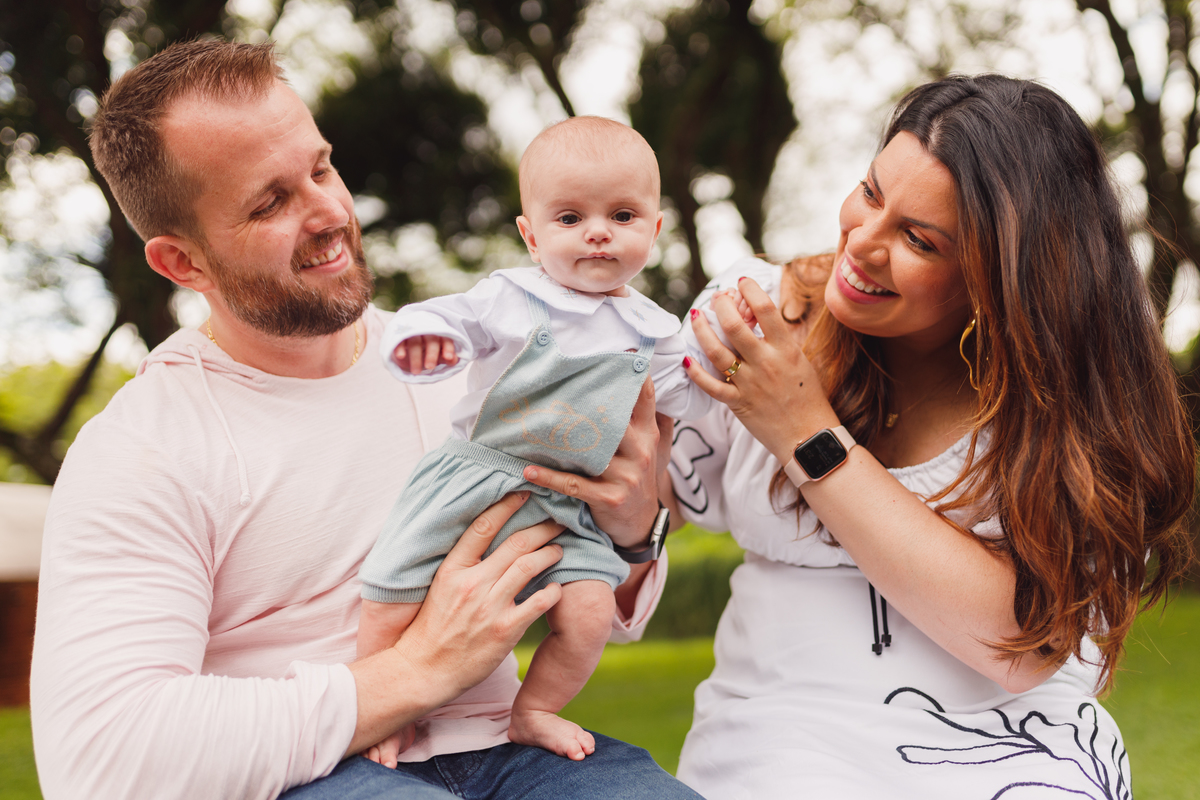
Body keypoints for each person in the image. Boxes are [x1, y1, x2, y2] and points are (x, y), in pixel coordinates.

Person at [29, 38, 702, 800]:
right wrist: (409, 675)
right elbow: (101, 759)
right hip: (317, 774)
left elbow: (604, 590)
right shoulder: (141, 448)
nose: (329, 212)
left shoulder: (466, 366)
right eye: (270, 202)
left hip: (513, 749)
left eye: (320, 168)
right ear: (183, 264)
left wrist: (636, 531)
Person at [668, 74, 1194, 798]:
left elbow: (1021, 648)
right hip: (781, 751)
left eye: (919, 239)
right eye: (871, 192)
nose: (862, 243)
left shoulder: (1059, 415)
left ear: (1003, 278)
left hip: (1013, 758)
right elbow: (629, 526)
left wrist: (807, 432)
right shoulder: (759, 318)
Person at [356, 116, 713, 766]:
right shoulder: (514, 296)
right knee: (392, 593)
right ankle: (380, 707)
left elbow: (691, 393)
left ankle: (535, 708)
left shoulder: (655, 330)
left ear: (655, 230)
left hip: (568, 506)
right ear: (531, 234)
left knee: (588, 613)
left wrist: (727, 368)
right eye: (571, 217)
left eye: (623, 214)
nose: (598, 231)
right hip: (477, 478)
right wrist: (427, 342)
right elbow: (446, 318)